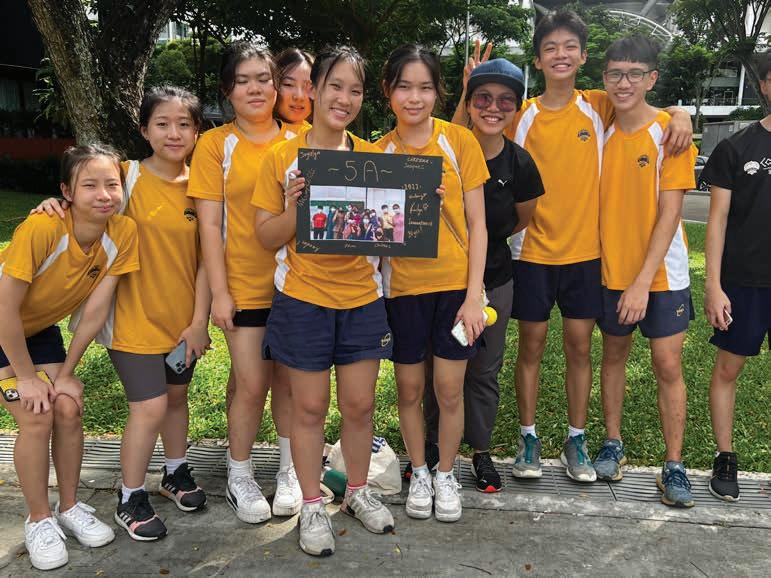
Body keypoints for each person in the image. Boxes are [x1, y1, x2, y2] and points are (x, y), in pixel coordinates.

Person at [452, 11, 692, 483]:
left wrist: (681, 115)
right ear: (537, 59)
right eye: (550, 47)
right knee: (531, 347)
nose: (560, 55)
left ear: (583, 57)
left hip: (586, 256)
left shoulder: (599, 105)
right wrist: (468, 92)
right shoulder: (521, 113)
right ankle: (528, 437)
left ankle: (576, 438)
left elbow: (647, 108)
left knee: (580, 348)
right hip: (530, 254)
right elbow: (463, 138)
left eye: (569, 47)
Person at [33, 87, 213, 539]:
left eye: (184, 124)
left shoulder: (203, 187)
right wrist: (54, 204)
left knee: (176, 399)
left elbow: (207, 260)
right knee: (149, 407)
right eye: (162, 124)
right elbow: (85, 198)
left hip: (182, 323)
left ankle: (175, 472)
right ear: (144, 130)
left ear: (197, 131)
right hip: (130, 322)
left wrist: (198, 322)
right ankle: (130, 497)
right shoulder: (124, 177)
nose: (174, 133)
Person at [252, 45, 394, 557]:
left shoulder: (376, 161)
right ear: (314, 90)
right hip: (303, 300)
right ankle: (312, 503)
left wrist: (415, 210)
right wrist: (296, 208)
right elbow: (264, 236)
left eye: (355, 90)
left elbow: (390, 234)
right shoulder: (281, 158)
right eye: (335, 86)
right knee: (309, 407)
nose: (344, 99)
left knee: (360, 405)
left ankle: (356, 490)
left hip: (362, 300)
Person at [0, 144, 139, 570]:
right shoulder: (42, 228)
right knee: (36, 413)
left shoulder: (123, 233)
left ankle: (70, 506)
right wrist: (26, 377)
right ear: (66, 191)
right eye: (90, 185)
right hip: (3, 326)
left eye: (112, 184)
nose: (104, 195)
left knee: (67, 405)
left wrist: (67, 373)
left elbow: (95, 310)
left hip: (38, 330)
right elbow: (5, 309)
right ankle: (39, 519)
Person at [188, 41, 302, 524]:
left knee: (291, 385)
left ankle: (291, 470)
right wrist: (220, 292)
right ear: (227, 90)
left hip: (299, 286)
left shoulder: (302, 137)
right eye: (243, 80)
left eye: (263, 78)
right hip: (244, 286)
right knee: (252, 385)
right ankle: (239, 473)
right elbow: (209, 227)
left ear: (277, 86)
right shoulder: (215, 145)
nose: (255, 88)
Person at [377, 44, 487, 523]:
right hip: (402, 291)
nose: (414, 97)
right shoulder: (378, 152)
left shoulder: (460, 142)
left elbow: (479, 225)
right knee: (408, 389)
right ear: (388, 91)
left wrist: (473, 296)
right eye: (404, 86)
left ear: (439, 92)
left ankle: (445, 474)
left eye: (424, 87)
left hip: (455, 291)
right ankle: (419, 470)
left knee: (449, 390)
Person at [423, 59, 544, 492]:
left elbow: (521, 219)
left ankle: (480, 450)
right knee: (434, 368)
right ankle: (432, 446)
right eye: (483, 98)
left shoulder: (520, 163)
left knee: (483, 370)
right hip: (439, 281)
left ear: (517, 107)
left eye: (505, 100)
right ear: (470, 103)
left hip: (494, 280)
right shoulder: (447, 150)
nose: (494, 108)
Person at [592, 36, 697, 508]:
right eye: (616, 73)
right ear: (604, 78)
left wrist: (641, 283)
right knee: (613, 357)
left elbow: (670, 214)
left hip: (661, 277)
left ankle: (673, 465)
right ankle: (612, 442)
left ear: (652, 78)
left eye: (635, 74)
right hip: (612, 270)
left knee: (667, 365)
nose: (624, 82)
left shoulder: (669, 134)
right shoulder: (601, 129)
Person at [701, 56, 771, 502]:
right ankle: (725, 456)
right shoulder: (736, 148)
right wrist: (713, 284)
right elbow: (717, 221)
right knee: (728, 369)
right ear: (764, 85)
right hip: (745, 282)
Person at [275, 47, 314, 126]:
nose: (299, 96)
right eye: (288, 84)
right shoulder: (254, 130)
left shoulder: (319, 133)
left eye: (309, 87)